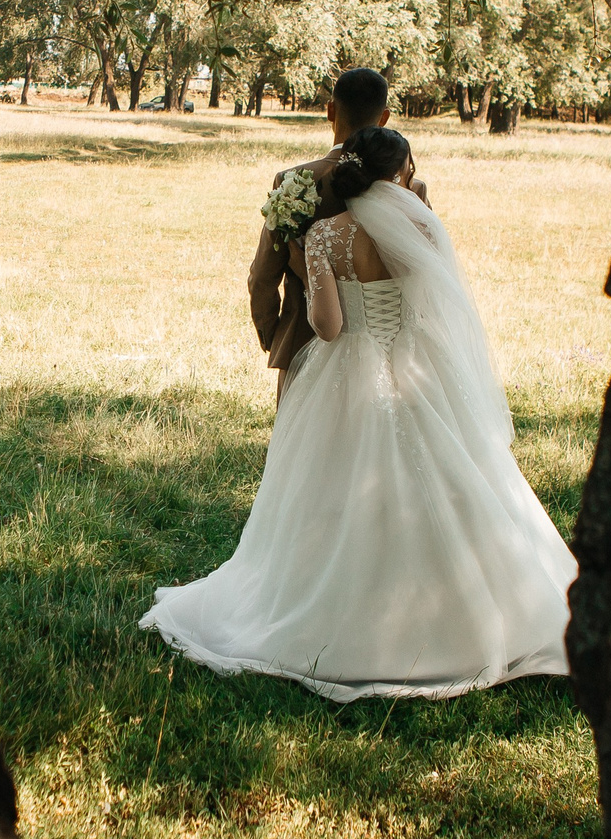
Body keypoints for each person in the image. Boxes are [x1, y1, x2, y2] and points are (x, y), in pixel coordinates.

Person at [143, 126, 575, 699]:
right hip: (420, 364)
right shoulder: (422, 223)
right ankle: (468, 614)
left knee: (331, 488)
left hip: (346, 369)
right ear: (400, 173)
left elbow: (328, 326)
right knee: (456, 475)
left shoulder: (325, 235)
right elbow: (439, 305)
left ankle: (344, 611)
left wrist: (321, 284)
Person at [246, 67, 422, 404]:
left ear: (330, 110)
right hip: (395, 351)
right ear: (384, 117)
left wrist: (274, 332)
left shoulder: (296, 180)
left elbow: (263, 275)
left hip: (304, 338)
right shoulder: (411, 187)